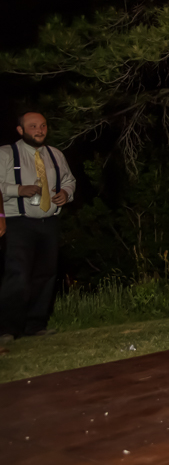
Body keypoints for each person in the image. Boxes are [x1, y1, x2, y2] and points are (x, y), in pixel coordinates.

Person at [0, 112, 77, 343]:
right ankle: (7, 329)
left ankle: (35, 326)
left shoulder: (55, 154)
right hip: (18, 221)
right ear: (20, 130)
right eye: (33, 126)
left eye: (43, 125)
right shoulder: (6, 153)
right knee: (18, 274)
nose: (39, 130)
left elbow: (69, 180)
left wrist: (66, 193)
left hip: (49, 221)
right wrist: (18, 190)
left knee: (45, 274)